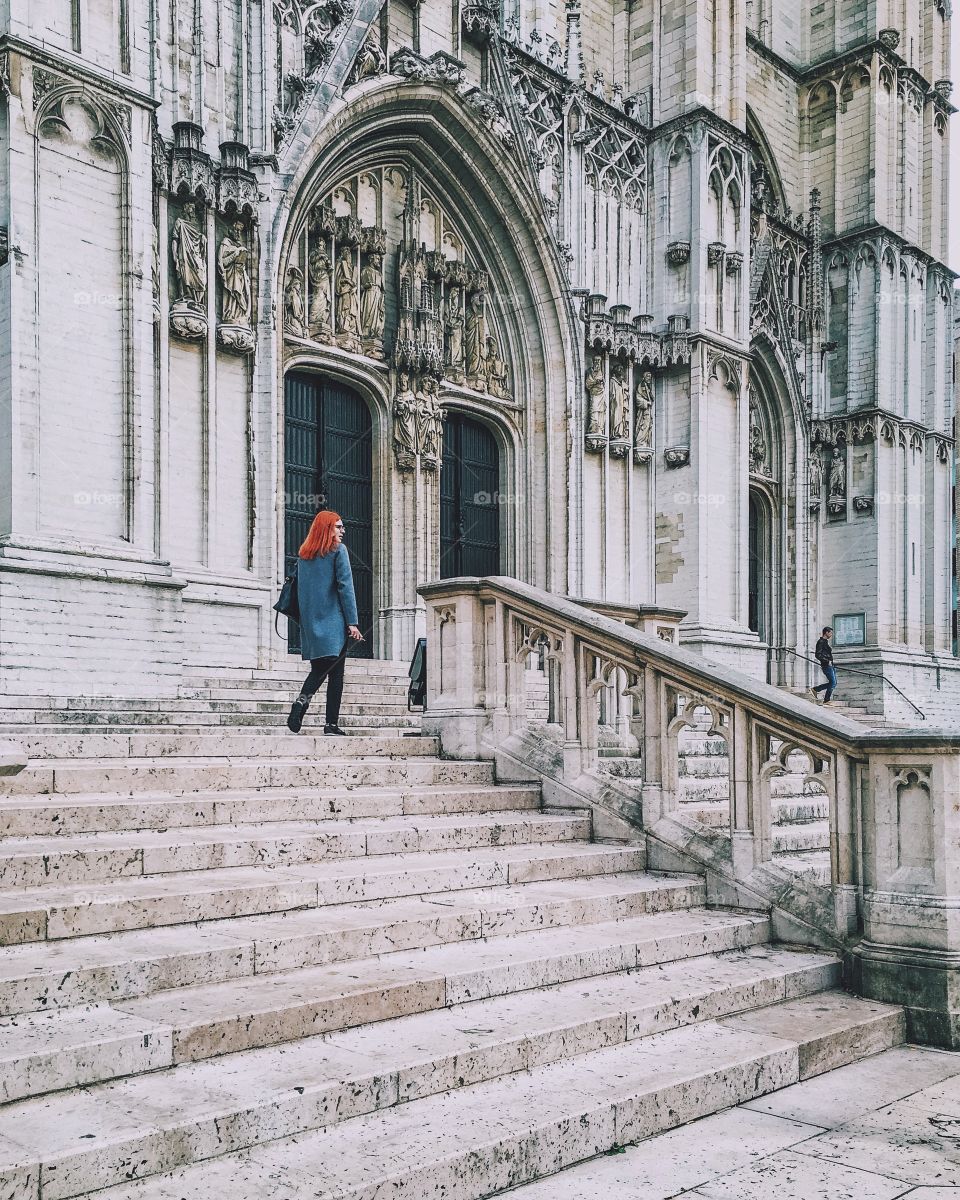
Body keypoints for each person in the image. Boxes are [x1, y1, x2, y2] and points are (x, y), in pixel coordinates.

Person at [287, 511, 364, 734]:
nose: (343, 530)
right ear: (326, 529)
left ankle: (305, 704)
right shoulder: (338, 551)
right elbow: (345, 588)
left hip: (312, 624)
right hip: (334, 624)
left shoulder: (304, 556)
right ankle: (327, 722)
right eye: (338, 527)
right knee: (334, 674)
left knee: (321, 670)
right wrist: (352, 622)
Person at [810, 625, 837, 704]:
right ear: (826, 632)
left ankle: (816, 689)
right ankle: (826, 700)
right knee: (833, 682)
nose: (831, 635)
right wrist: (826, 661)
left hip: (830, 665)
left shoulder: (825, 642)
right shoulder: (821, 642)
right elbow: (817, 655)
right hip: (826, 665)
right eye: (830, 633)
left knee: (834, 683)